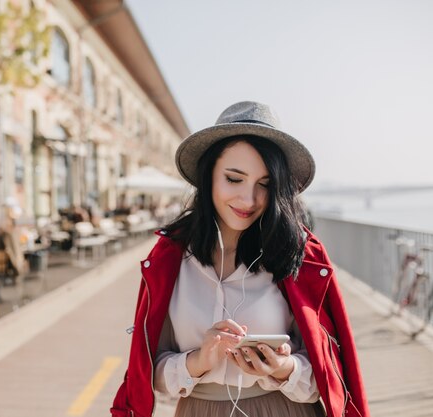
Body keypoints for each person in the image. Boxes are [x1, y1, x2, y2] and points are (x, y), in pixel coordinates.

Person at [111, 101, 370, 417]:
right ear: (209, 177)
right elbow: (150, 373)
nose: (249, 200)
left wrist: (285, 368)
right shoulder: (169, 257)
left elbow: (330, 378)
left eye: (265, 185)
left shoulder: (300, 254)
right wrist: (199, 360)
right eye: (234, 179)